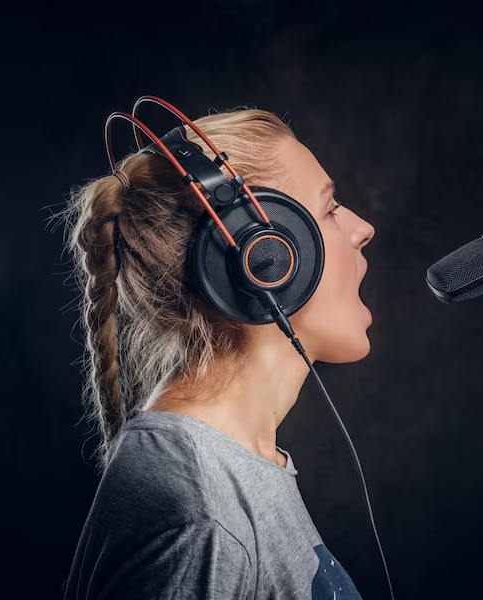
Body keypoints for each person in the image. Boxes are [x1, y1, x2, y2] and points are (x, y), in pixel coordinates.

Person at [59, 107, 375, 599]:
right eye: (330, 209)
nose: (362, 227)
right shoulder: (199, 513)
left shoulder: (231, 470)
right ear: (264, 257)